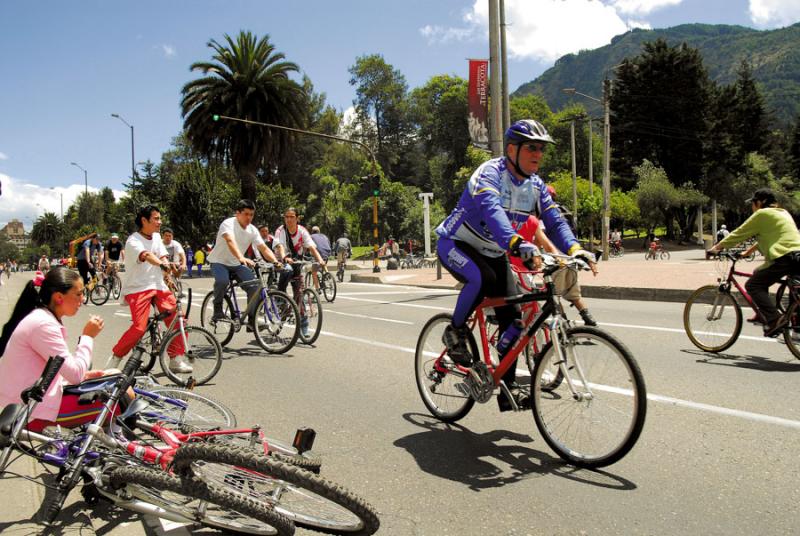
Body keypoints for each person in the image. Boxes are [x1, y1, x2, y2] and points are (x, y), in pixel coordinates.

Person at [435, 119, 596, 411]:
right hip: (457, 244)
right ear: (512, 149)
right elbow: (491, 210)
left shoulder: (535, 185)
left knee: (516, 321)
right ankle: (455, 331)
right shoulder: (490, 173)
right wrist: (516, 243)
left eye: (541, 149)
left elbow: (554, 219)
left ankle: (506, 389)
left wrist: (575, 248)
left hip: (494, 251)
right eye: (532, 147)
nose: (538, 154)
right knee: (479, 278)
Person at [0, 268, 109, 431]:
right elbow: (75, 375)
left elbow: (50, 369)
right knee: (121, 395)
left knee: (112, 376)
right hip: (31, 413)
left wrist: (84, 375)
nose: (83, 299)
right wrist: (87, 336)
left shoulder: (42, 317)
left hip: (29, 403)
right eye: (78, 294)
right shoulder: (44, 324)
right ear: (59, 297)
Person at [106, 205, 190, 373]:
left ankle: (175, 358)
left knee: (179, 319)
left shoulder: (157, 237)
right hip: (138, 287)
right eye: (156, 219)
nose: (160, 222)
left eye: (160, 218)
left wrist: (168, 274)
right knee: (138, 327)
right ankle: (114, 360)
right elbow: (147, 256)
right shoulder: (133, 241)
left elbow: (162, 256)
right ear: (144, 220)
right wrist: (162, 265)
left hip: (158, 285)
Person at [708, 188, 800, 337]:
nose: (752, 207)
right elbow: (769, 237)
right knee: (761, 273)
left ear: (760, 202)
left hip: (785, 257)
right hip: (797, 255)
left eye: (753, 203)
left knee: (753, 285)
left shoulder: (762, 214)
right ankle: (787, 325)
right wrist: (747, 253)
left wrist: (717, 247)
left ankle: (775, 319)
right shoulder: (783, 213)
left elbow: (740, 232)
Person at [511, 215, 597, 326]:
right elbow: (546, 243)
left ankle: (563, 323)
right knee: (572, 296)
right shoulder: (541, 220)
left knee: (552, 297)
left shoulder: (537, 221)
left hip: (552, 264)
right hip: (567, 261)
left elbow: (541, 243)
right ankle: (585, 318)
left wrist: (536, 255)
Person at [207, 199, 281, 325]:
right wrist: (241, 258)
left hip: (236, 264)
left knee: (254, 286)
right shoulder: (228, 224)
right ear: (237, 213)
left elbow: (263, 248)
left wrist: (275, 261)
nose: (249, 218)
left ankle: (252, 320)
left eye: (251, 215)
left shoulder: (252, 230)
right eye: (246, 214)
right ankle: (217, 309)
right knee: (222, 281)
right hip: (219, 262)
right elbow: (230, 241)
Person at [273, 207, 327, 337]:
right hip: (283, 261)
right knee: (287, 269)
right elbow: (280, 247)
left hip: (297, 263)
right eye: (287, 217)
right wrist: (285, 258)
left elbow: (311, 247)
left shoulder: (302, 231)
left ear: (297, 218)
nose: (289, 219)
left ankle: (303, 328)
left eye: (292, 217)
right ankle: (280, 298)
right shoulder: (280, 230)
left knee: (300, 296)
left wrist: (320, 260)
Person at [309, 225, 332, 291]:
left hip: (318, 254)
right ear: (319, 231)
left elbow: (309, 246)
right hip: (327, 253)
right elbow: (328, 245)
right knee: (323, 263)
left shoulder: (311, 237)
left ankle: (317, 289)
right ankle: (327, 274)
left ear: (312, 231)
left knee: (314, 272)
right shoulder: (324, 236)